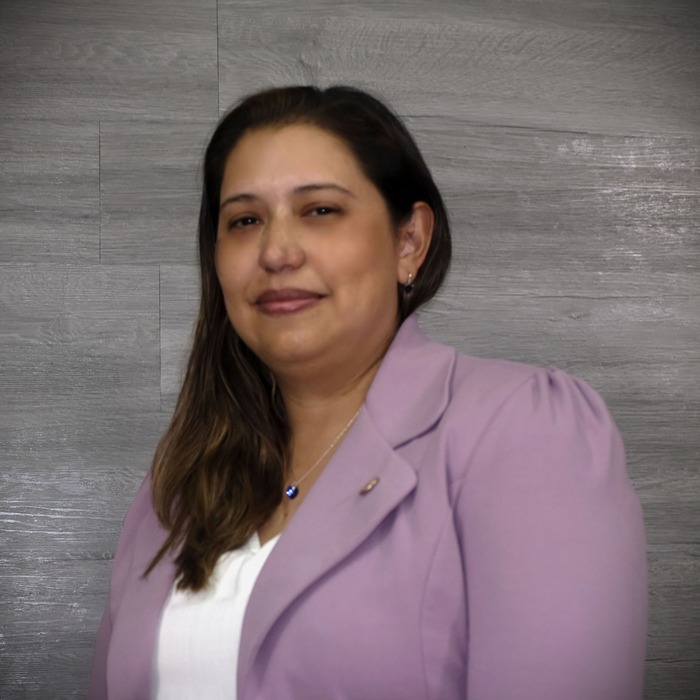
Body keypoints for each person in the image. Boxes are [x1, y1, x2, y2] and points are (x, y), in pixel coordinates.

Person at [88, 85, 647, 700]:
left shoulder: (524, 430)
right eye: (245, 220)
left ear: (409, 242)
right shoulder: (178, 483)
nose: (276, 252)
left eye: (320, 210)